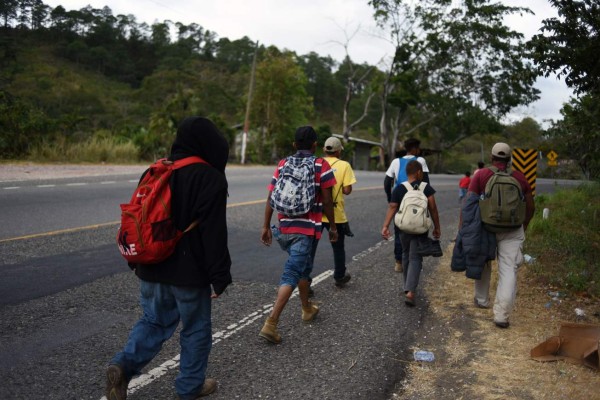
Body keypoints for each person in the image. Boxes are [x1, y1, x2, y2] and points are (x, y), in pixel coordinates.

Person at [105, 117, 232, 400]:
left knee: (154, 321)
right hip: (189, 272)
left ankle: (123, 366)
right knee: (196, 329)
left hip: (151, 264)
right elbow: (213, 233)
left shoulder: (157, 170)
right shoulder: (209, 177)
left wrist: (137, 260)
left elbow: (139, 220)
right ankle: (189, 388)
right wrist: (220, 276)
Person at [259, 126, 337, 344]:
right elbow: (328, 200)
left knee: (303, 267)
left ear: (294, 145)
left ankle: (306, 309)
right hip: (305, 231)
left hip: (283, 229)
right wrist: (332, 226)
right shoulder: (322, 165)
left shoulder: (283, 163)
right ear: (315, 145)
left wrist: (265, 225)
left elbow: (271, 195)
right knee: (292, 274)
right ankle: (271, 323)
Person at [468, 142, 535, 329]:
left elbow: (469, 203)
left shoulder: (481, 175)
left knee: (484, 262)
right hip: (513, 229)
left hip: (486, 227)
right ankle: (501, 316)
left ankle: (481, 300)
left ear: (491, 158)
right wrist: (525, 225)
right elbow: (531, 206)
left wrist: (464, 229)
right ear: (509, 159)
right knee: (508, 269)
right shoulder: (520, 178)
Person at [381, 160, 441, 306]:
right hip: (420, 229)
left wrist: (385, 226)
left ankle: (407, 286)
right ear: (419, 173)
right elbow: (433, 207)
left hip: (403, 229)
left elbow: (392, 206)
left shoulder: (400, 188)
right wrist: (437, 227)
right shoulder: (426, 188)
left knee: (406, 254)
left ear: (406, 173)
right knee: (416, 257)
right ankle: (410, 291)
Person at [384, 138, 430, 273]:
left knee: (399, 229)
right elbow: (426, 181)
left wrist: (390, 197)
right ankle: (415, 260)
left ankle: (399, 262)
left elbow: (387, 182)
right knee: (418, 228)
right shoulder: (420, 161)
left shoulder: (396, 161)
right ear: (415, 149)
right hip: (416, 198)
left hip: (399, 197)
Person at [318, 136, 357, 287]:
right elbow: (347, 190)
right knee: (338, 246)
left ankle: (305, 282)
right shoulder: (344, 165)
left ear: (324, 149)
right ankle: (339, 276)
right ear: (339, 151)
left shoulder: (317, 163)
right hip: (335, 212)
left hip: (315, 211)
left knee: (310, 248)